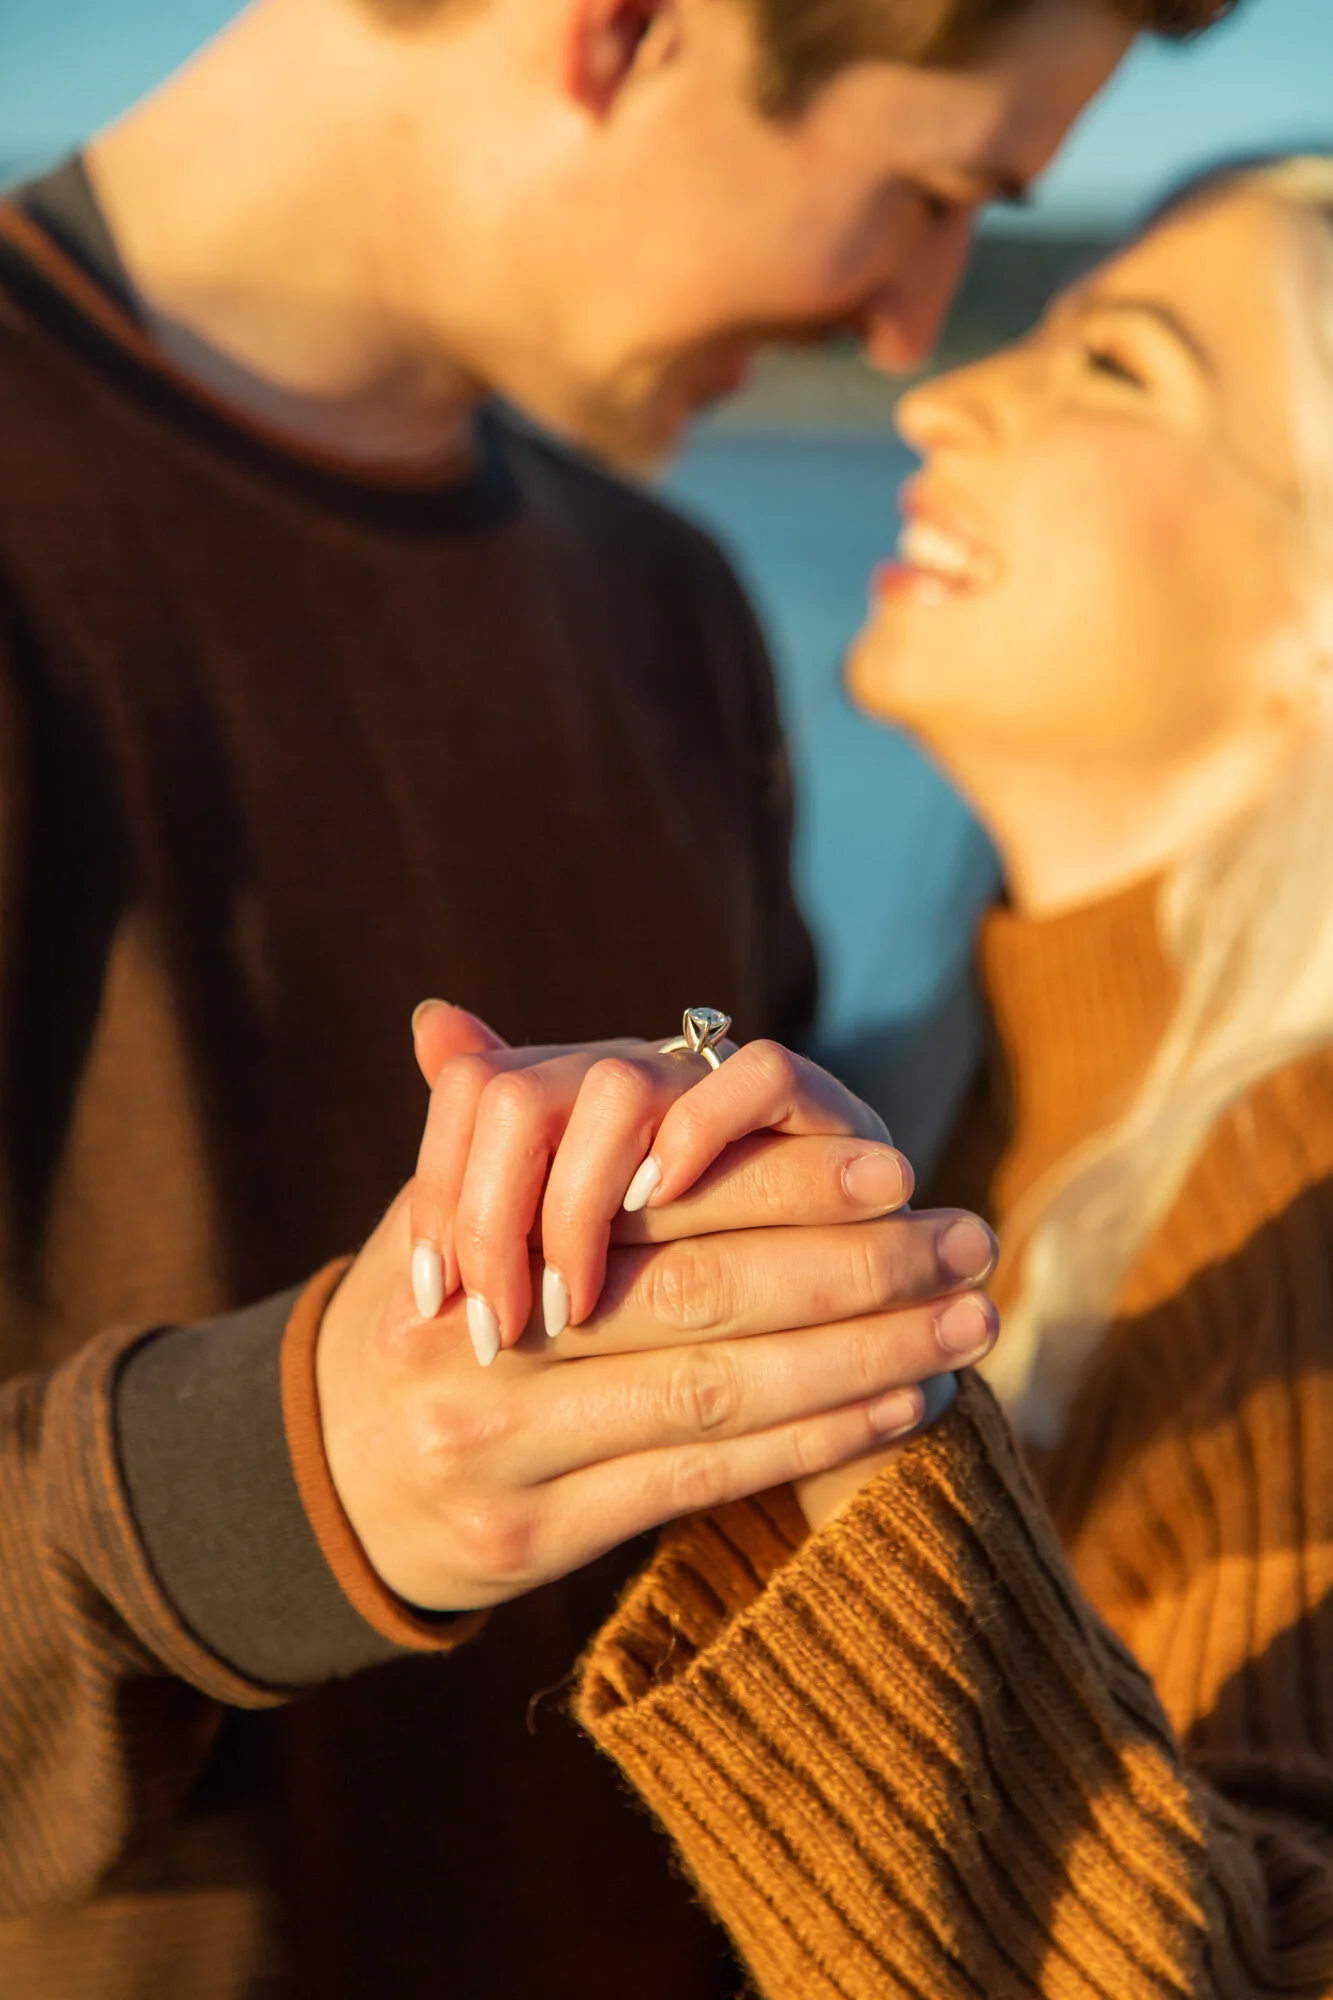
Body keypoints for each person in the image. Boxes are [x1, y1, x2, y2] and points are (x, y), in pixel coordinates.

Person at [0, 0, 1228, 1994]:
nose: (916, 328)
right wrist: (302, 1473)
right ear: (625, 30)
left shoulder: (667, 603)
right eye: (923, 196)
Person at [576, 154, 1333, 1998]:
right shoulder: (971, 1086)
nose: (941, 393)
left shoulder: (1304, 1198)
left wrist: (855, 1409)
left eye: (1118, 368)